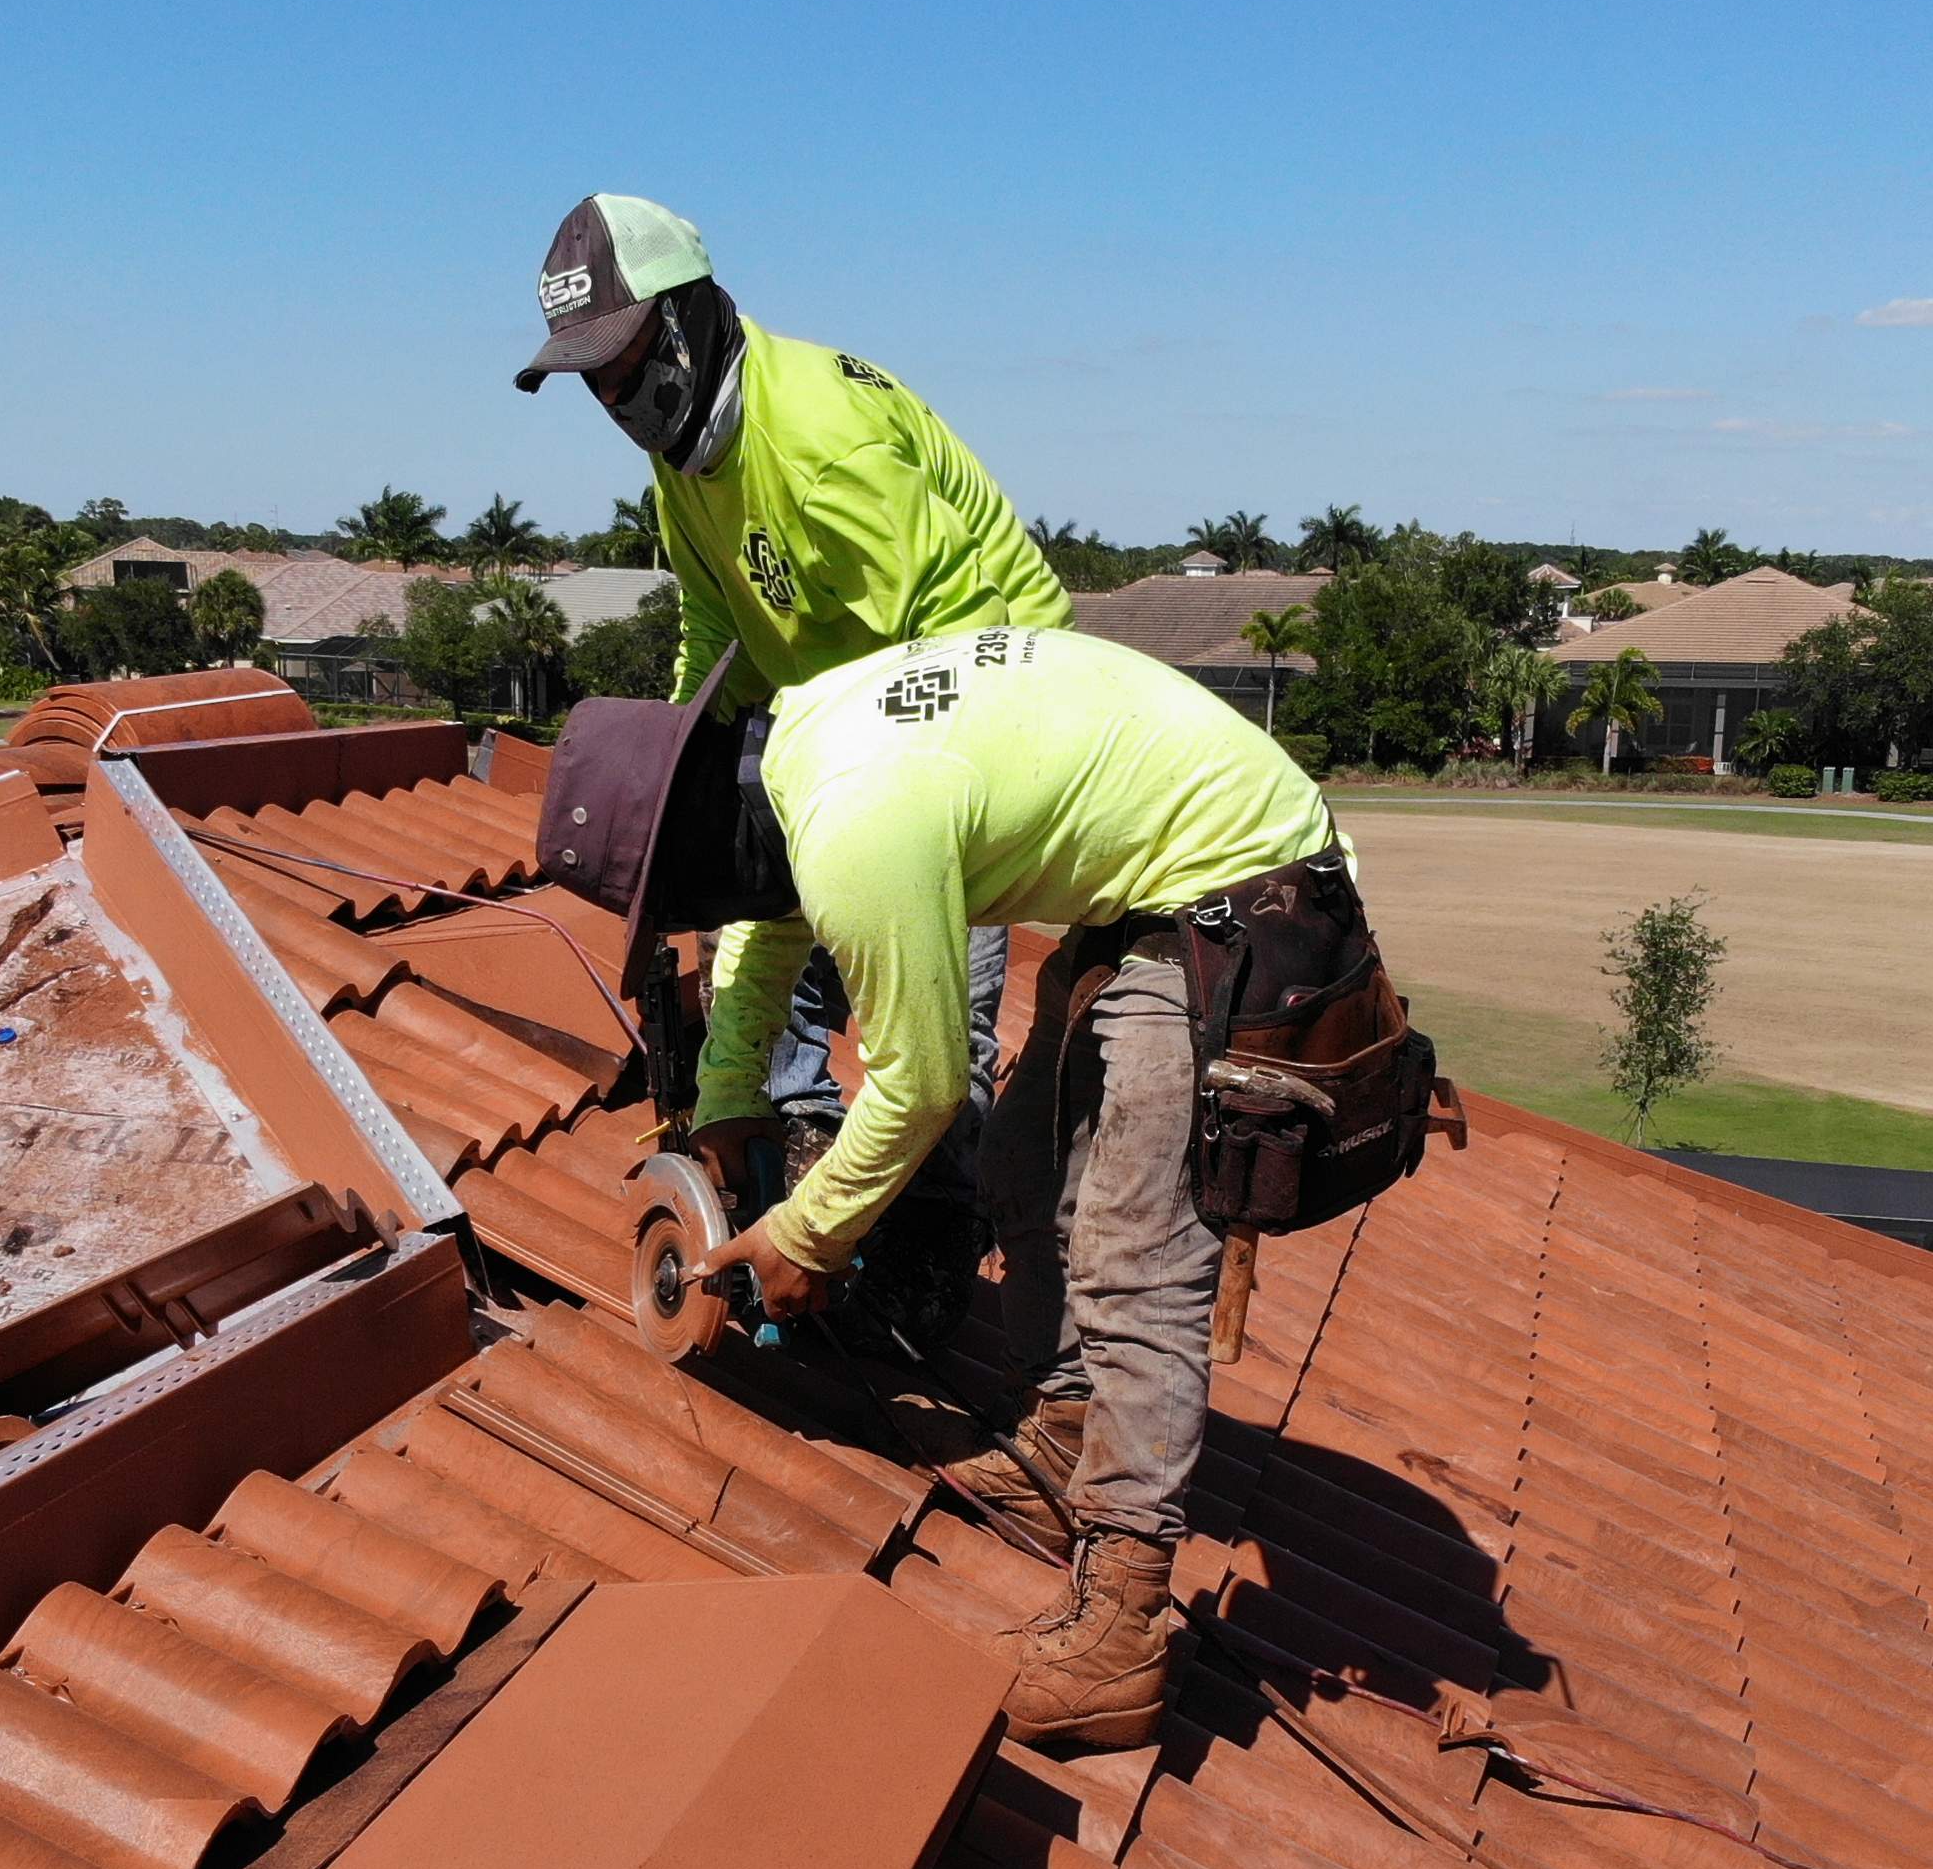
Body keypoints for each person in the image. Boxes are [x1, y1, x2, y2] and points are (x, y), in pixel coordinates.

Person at [533, 624, 1372, 1754]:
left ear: (701, 843)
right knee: (1025, 1156)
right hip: (1156, 893)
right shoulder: (792, 759)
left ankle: (1123, 1620)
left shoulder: (855, 821)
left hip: (1245, 897)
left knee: (1135, 1247)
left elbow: (921, 1085)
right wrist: (730, 1096)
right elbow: (773, 925)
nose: (709, 918)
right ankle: (1069, 1439)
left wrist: (808, 1236)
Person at [516, 192, 1059, 1173]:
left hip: (992, 703)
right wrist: (683, 787)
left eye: (622, 360)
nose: (612, 397)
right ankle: (799, 1129)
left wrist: (856, 812)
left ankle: (939, 1196)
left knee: (928, 1012)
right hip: (846, 707)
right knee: (769, 893)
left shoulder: (818, 442)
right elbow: (717, 626)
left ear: (687, 315)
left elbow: (966, 644)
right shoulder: (684, 464)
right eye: (589, 376)